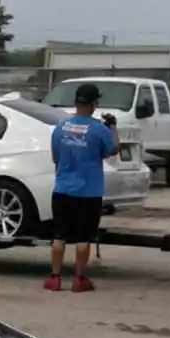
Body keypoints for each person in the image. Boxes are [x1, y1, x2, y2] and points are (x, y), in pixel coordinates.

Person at [45, 82, 116, 293]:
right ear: (94, 104)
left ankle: (55, 278)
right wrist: (112, 127)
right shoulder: (99, 129)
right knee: (83, 237)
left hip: (62, 189)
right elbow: (112, 150)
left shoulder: (60, 128)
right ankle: (79, 279)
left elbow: (55, 158)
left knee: (59, 236)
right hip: (89, 192)